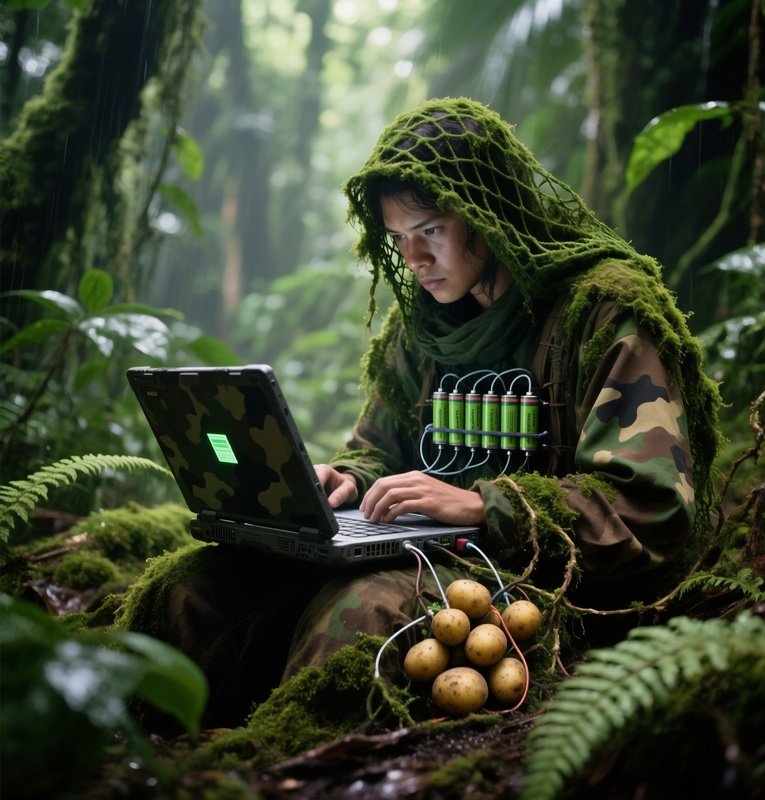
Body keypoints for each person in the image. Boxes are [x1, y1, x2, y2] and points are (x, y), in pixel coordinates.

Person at [121, 97, 720, 729]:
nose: (414, 258)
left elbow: (647, 508)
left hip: (540, 576)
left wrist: (484, 505)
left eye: (430, 230)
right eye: (399, 238)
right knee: (191, 592)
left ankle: (289, 760)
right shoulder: (424, 331)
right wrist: (347, 479)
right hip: (423, 552)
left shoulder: (601, 316)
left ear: (489, 211)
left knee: (361, 612)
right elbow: (378, 448)